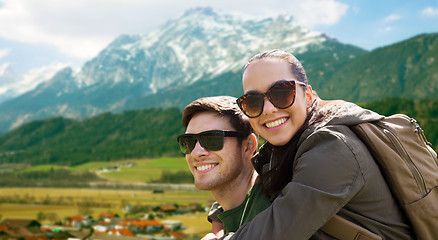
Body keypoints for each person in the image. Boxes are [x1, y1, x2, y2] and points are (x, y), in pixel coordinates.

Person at [206, 50, 415, 240]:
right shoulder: (288, 147)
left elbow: (278, 232)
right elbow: (253, 185)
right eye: (252, 101)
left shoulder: (334, 147)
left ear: (307, 96)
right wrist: (219, 218)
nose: (268, 109)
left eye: (281, 93)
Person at [176, 96, 272, 238]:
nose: (196, 153)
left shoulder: (273, 213)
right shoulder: (228, 211)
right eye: (189, 142)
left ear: (248, 146)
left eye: (212, 139)